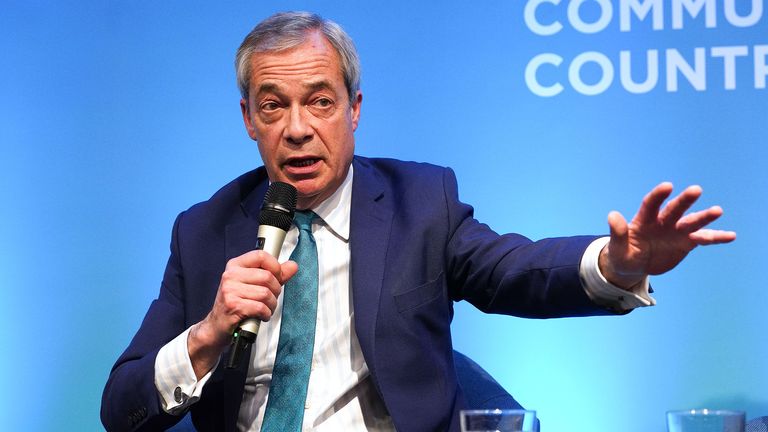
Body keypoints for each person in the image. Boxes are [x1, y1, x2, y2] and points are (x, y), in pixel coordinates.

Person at [100, 11, 736, 432]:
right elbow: (120, 408)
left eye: (319, 101)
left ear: (354, 109)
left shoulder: (419, 202)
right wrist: (207, 335)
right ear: (248, 119)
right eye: (274, 106)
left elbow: (513, 270)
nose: (297, 128)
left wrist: (617, 263)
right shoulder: (203, 230)